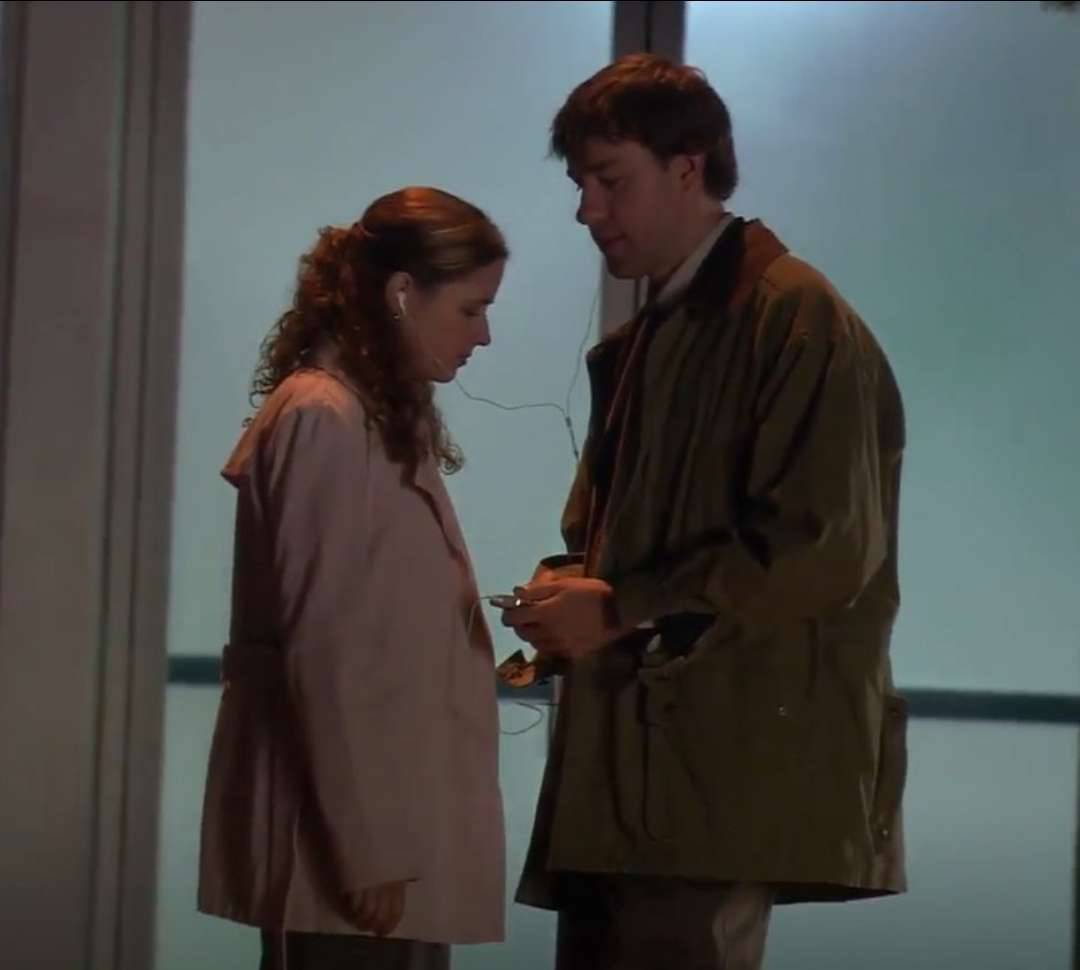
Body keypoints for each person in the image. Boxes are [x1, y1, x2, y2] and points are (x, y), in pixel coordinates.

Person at [501, 54, 908, 970]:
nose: (586, 210)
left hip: (711, 771)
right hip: (644, 771)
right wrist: (575, 592)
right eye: (580, 184)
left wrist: (617, 606)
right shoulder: (663, 331)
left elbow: (821, 549)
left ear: (688, 169)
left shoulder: (791, 315)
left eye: (610, 181)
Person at [197, 186, 509, 970]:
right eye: (471, 309)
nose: (484, 334)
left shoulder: (369, 420)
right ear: (403, 294)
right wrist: (367, 848)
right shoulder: (323, 417)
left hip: (392, 837)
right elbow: (326, 647)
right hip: (355, 854)